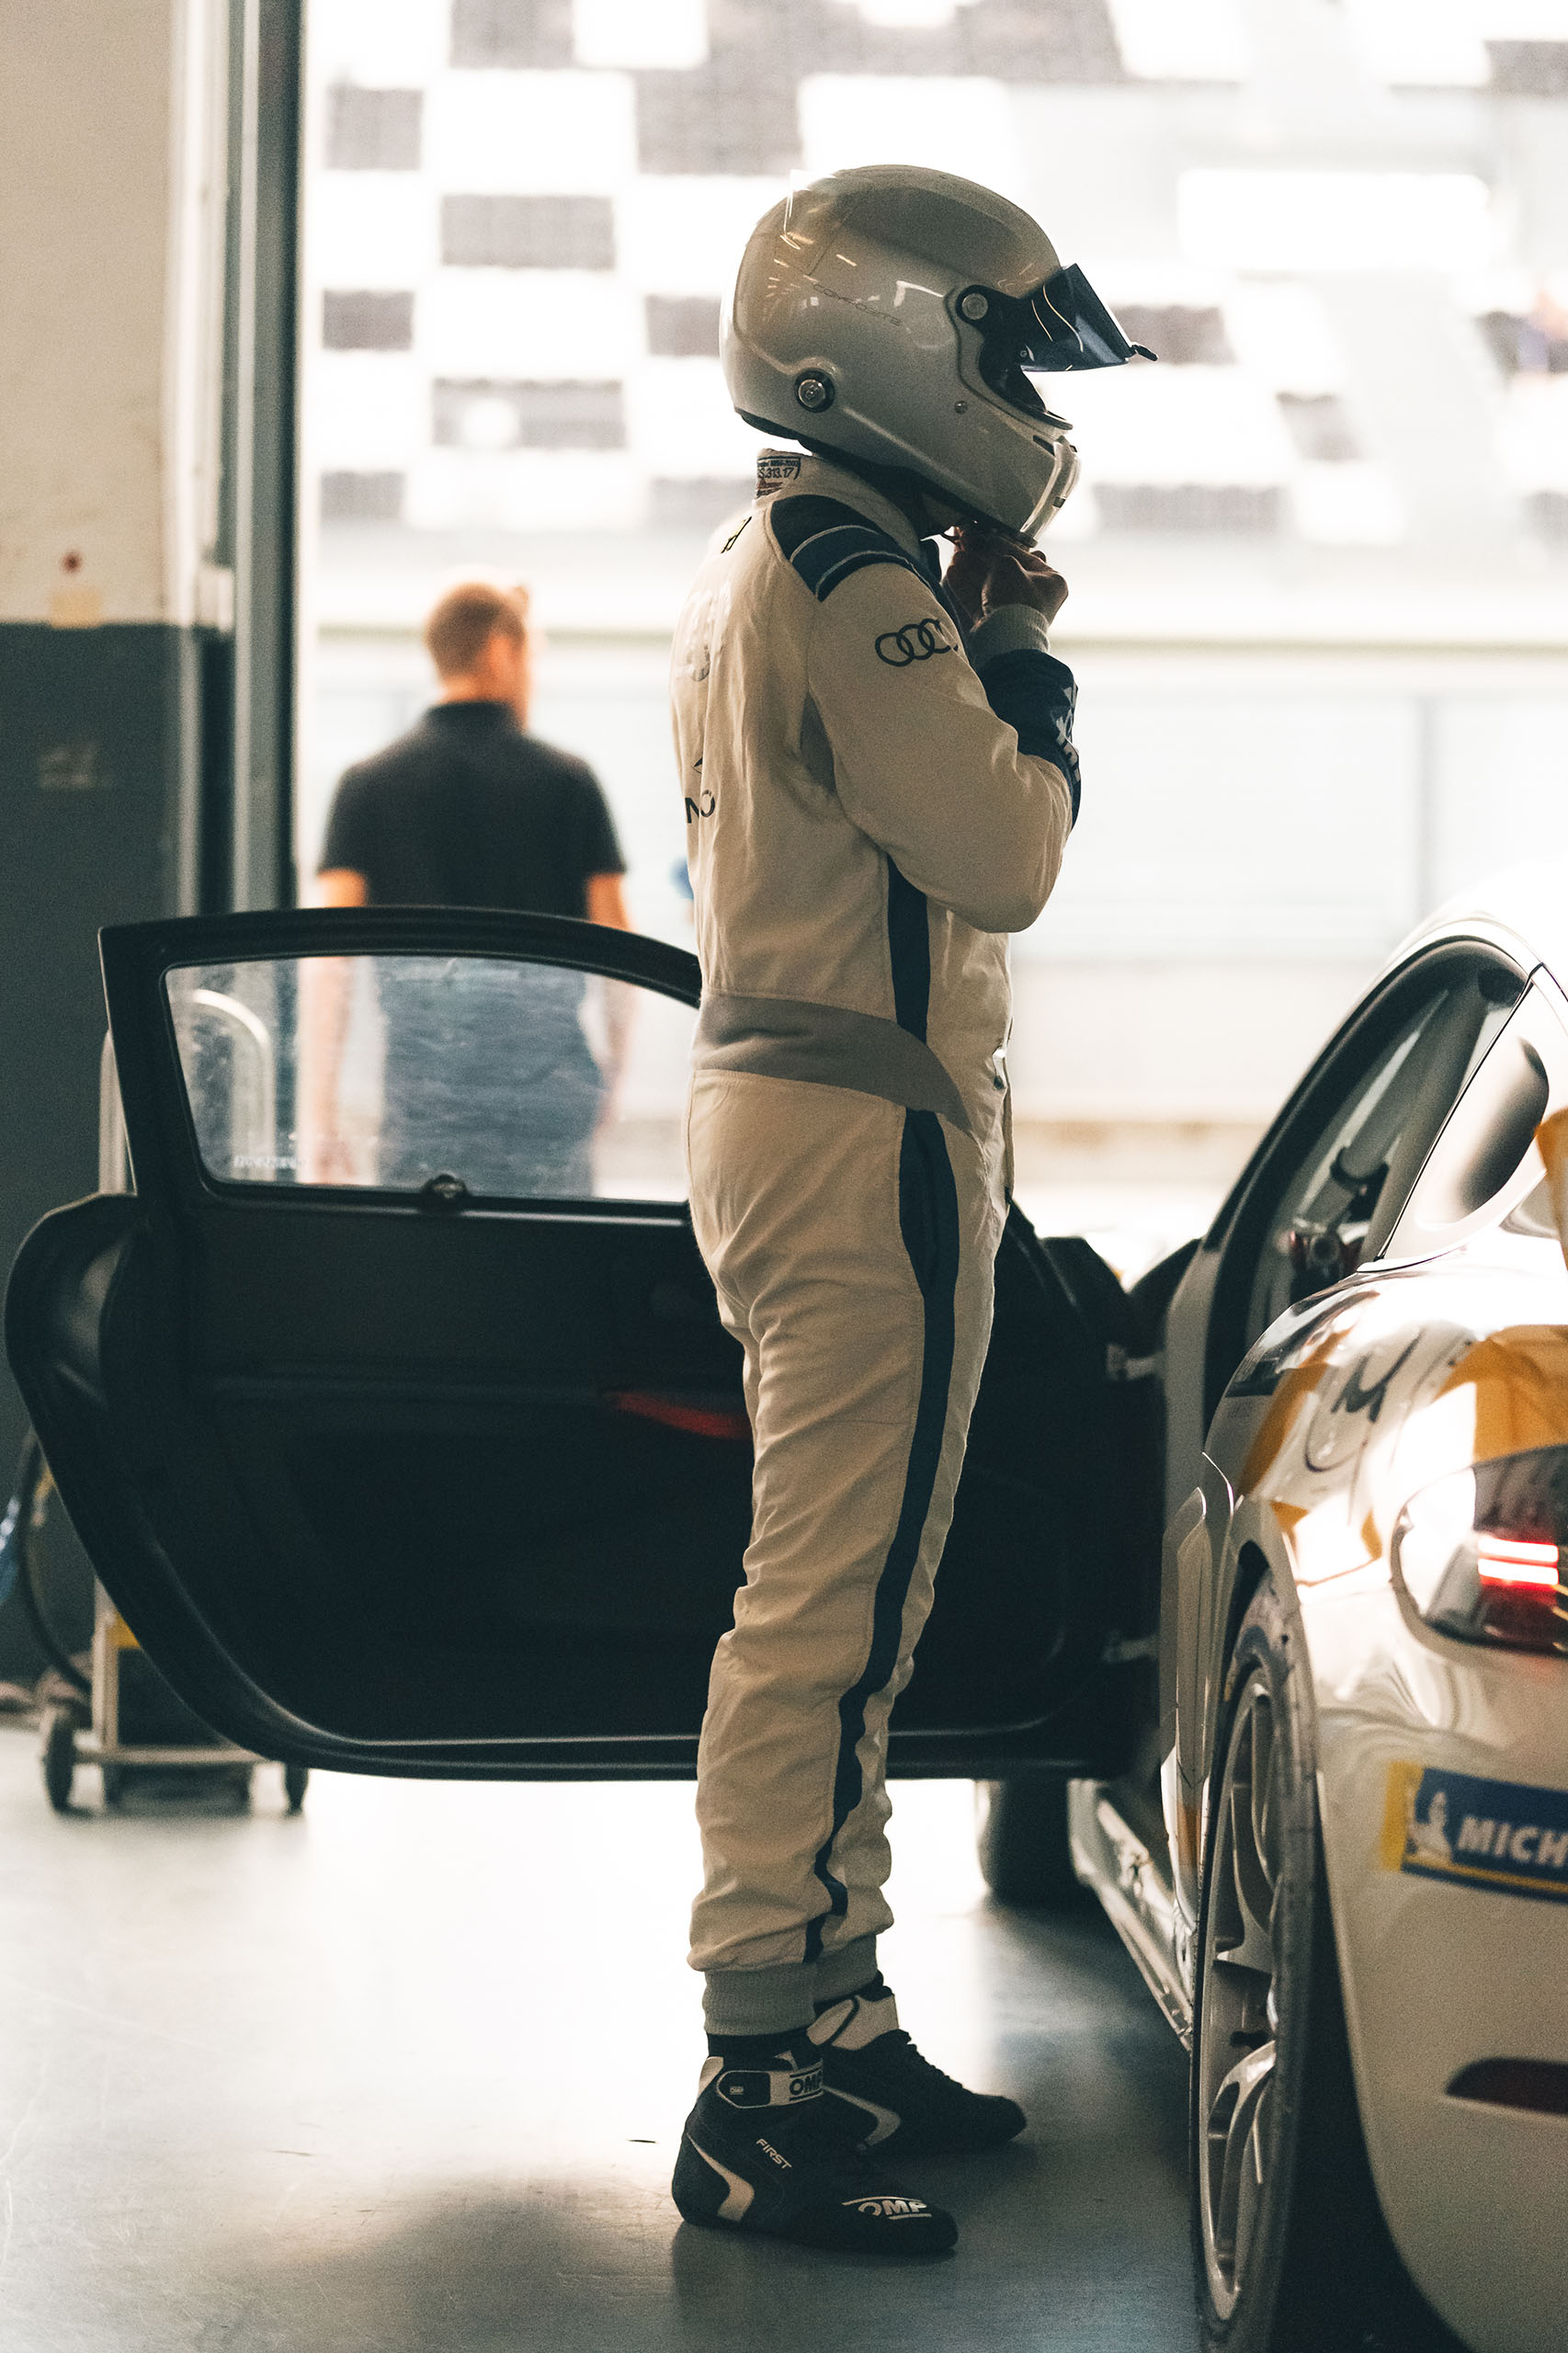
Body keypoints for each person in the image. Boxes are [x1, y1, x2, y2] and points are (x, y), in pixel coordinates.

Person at [668, 165, 1150, 2257]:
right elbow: (1002, 851)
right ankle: (756, 2083)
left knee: (846, 1608)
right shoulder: (850, 568)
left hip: (800, 1117)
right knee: (830, 1616)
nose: (1031, 408)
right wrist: (1021, 657)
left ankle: (836, 2012)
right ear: (877, 345)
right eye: (1006, 359)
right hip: (862, 1140)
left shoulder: (767, 549)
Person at [305, 582, 630, 1195]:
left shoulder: (366, 785)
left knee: (430, 1255)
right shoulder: (571, 783)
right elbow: (618, 947)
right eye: (532, 659)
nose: (533, 679)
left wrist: (320, 1114)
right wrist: (615, 1075)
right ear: (502, 651)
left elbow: (330, 962)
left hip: (424, 1109)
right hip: (548, 1104)